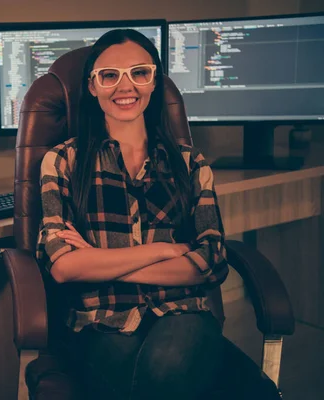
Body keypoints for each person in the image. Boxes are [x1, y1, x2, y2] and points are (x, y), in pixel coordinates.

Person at [36, 29, 281, 400]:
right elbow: (63, 267)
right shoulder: (63, 162)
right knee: (181, 378)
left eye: (139, 72)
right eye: (109, 75)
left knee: (173, 364)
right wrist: (166, 250)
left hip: (183, 314)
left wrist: (98, 260)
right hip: (102, 323)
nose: (125, 86)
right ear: (92, 86)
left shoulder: (190, 163)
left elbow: (212, 261)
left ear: (154, 82)